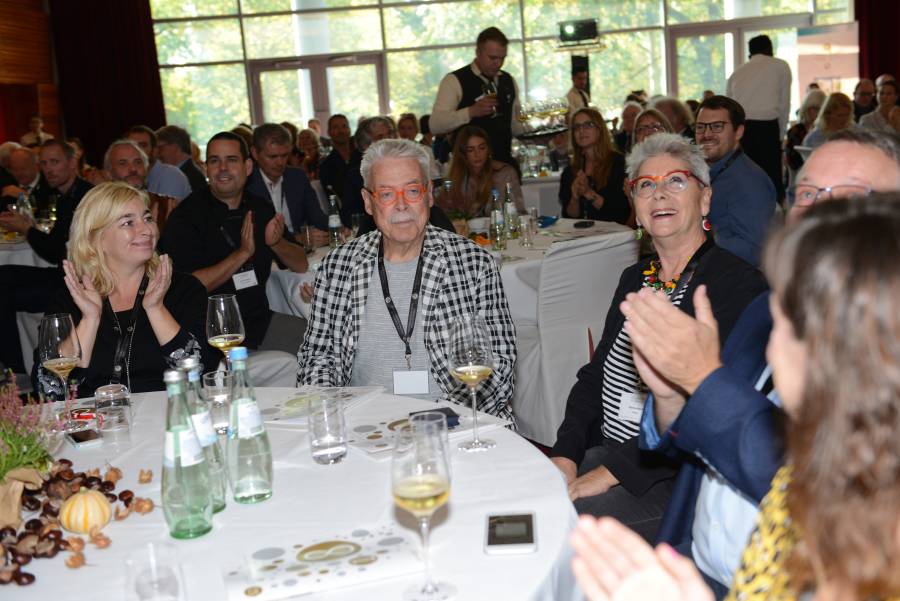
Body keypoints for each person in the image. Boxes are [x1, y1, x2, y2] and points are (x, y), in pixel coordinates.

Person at [569, 192, 900, 601]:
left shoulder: (869, 511)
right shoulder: (846, 451)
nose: (773, 342)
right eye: (807, 192)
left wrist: (700, 379)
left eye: (789, 321)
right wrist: (672, 396)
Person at [550, 133, 767, 541]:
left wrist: (609, 473)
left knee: (563, 526)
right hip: (611, 450)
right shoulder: (635, 278)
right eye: (645, 185)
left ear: (705, 199)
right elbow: (594, 376)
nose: (659, 194)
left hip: (678, 478)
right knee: (530, 494)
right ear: (635, 206)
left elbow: (712, 408)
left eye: (676, 181)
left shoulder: (736, 285)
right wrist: (565, 453)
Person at [297, 139, 515, 420]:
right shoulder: (338, 266)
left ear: (429, 195)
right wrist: (335, 418)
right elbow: (317, 358)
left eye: (412, 191)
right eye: (387, 194)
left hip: (457, 423)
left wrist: (440, 421)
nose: (401, 205)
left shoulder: (473, 263)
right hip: (366, 426)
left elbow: (499, 366)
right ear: (368, 202)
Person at [36, 182, 214, 398]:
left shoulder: (183, 290)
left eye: (148, 219)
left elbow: (200, 371)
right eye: (128, 222)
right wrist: (89, 319)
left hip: (168, 414)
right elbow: (50, 391)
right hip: (94, 418)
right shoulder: (72, 299)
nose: (147, 230)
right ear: (96, 239)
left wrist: (156, 309)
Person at [160, 131, 309, 354]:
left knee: (319, 339)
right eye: (214, 161)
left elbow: (301, 264)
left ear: (247, 167)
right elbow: (186, 288)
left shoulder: (260, 207)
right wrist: (241, 254)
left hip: (258, 321)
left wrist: (277, 243)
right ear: (206, 168)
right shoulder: (186, 216)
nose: (223, 168)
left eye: (231, 160)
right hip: (209, 332)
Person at [0, 140, 93, 374]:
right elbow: (55, 249)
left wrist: (26, 229)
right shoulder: (63, 195)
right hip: (62, 273)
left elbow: (56, 252)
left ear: (72, 163)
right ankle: (13, 365)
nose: (49, 169)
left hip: (78, 283)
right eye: (44, 163)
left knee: (4, 293)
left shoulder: (85, 197)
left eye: (55, 162)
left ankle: (16, 369)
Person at [695, 95, 776, 266]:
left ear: (738, 132)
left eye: (717, 126)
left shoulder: (749, 182)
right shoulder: (709, 171)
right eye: (700, 127)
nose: (706, 134)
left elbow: (755, 251)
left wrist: (697, 239)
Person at [430, 27, 523, 169]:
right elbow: (435, 125)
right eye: (493, 58)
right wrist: (471, 112)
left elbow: (516, 125)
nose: (498, 63)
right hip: (467, 171)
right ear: (478, 52)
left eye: (502, 58)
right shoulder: (454, 80)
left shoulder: (508, 80)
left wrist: (537, 136)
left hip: (503, 166)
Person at [726, 35, 792, 200]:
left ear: (750, 52)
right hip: (768, 127)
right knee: (771, 177)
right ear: (770, 49)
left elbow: (730, 108)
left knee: (747, 178)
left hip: (742, 129)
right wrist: (781, 135)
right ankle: (777, 210)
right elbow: (784, 103)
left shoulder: (737, 73)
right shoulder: (780, 66)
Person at [245, 123, 328, 238]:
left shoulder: (297, 177)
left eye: (284, 155)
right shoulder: (246, 184)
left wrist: (337, 229)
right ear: (255, 153)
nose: (280, 163)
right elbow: (254, 236)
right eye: (272, 157)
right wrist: (297, 239)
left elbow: (317, 218)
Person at [559, 107, 629, 223]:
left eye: (588, 125)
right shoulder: (569, 172)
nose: (581, 130)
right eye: (577, 127)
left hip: (613, 232)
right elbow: (569, 217)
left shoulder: (618, 164)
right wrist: (575, 198)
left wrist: (588, 193)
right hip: (581, 233)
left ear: (599, 129)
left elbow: (620, 214)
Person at [440, 125, 523, 217]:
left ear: (488, 149)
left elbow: (519, 211)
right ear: (463, 153)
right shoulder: (455, 177)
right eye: (470, 150)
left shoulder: (506, 173)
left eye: (482, 148)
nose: (477, 154)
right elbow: (445, 213)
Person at [126, 125, 192, 202]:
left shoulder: (171, 175)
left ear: (155, 150)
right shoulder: (130, 177)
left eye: (143, 145)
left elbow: (164, 209)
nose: (136, 150)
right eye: (131, 146)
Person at [784, 88, 826, 193]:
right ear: (806, 109)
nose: (816, 113)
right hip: (799, 178)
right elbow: (792, 163)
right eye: (813, 108)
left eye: (820, 109)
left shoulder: (827, 132)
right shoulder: (795, 131)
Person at [155, 125, 207, 193]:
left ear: (176, 147)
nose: (157, 154)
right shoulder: (186, 173)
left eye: (161, 148)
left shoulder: (190, 177)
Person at [0, 147, 51, 213]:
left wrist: (24, 196)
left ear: (37, 166)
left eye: (23, 168)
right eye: (15, 169)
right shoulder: (8, 185)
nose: (19, 173)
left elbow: (47, 210)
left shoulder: (49, 183)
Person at [318, 113, 354, 206]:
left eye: (344, 126)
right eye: (335, 127)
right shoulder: (326, 166)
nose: (341, 131)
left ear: (349, 130)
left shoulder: (362, 157)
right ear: (329, 132)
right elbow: (332, 198)